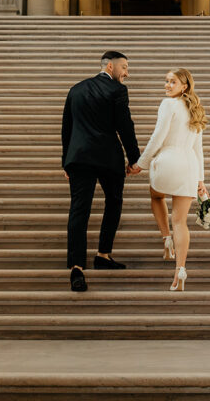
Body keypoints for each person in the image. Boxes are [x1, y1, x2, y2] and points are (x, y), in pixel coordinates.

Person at [61, 50, 140, 293]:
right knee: (114, 202)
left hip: (79, 158)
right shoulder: (117, 91)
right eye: (124, 67)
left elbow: (67, 127)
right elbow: (125, 126)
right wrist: (134, 158)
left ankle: (76, 267)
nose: (127, 73)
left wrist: (66, 160)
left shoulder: (76, 89)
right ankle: (103, 254)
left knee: (79, 210)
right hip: (108, 158)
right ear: (110, 67)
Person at [132, 68, 207, 291]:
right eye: (166, 81)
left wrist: (140, 164)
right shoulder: (196, 110)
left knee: (156, 196)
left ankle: (166, 238)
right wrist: (201, 179)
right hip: (189, 166)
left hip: (168, 162)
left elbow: (158, 136)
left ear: (184, 86)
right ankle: (180, 270)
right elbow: (198, 148)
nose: (167, 85)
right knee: (181, 221)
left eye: (172, 82)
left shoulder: (168, 105)